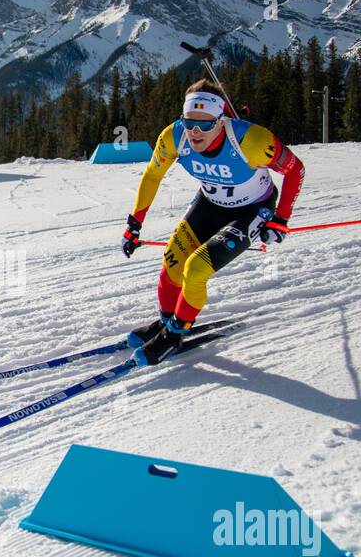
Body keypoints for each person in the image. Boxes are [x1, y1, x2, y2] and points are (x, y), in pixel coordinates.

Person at [120, 79, 305, 365]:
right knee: (172, 261)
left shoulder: (252, 141)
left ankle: (174, 335)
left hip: (253, 209)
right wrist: (134, 224)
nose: (195, 132)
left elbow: (296, 171)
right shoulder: (174, 137)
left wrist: (280, 220)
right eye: (189, 121)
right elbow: (153, 175)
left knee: (196, 269)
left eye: (205, 124)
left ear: (222, 120)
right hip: (210, 203)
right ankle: (165, 321)